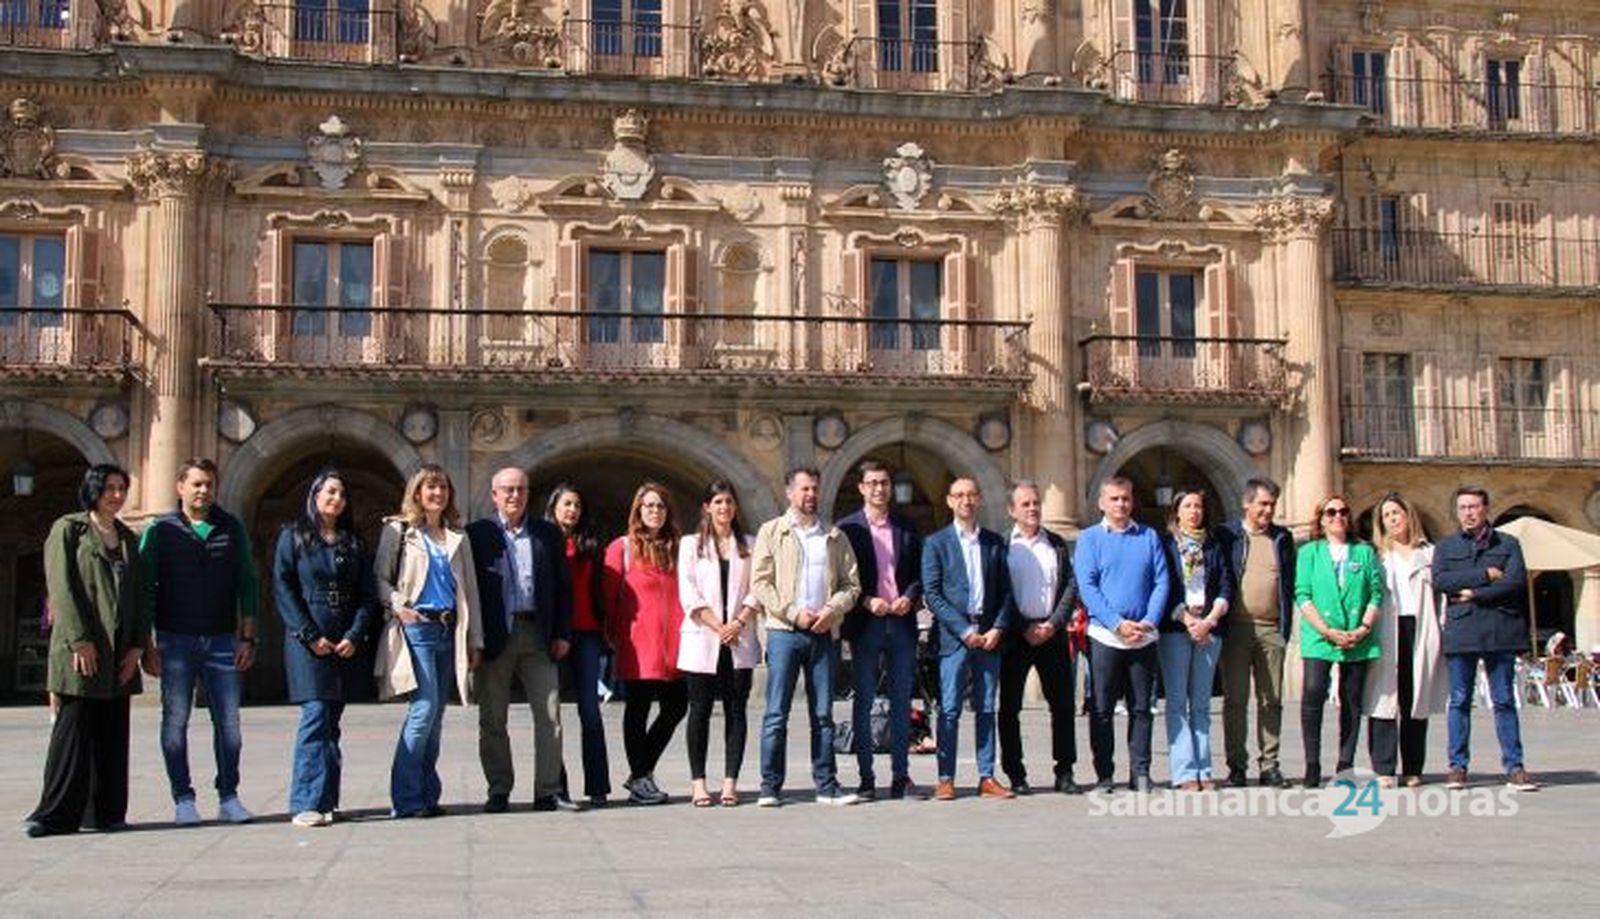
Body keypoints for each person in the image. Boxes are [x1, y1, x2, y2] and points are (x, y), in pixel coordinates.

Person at [24, 465, 147, 838]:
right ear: (93, 490)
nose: (116, 495)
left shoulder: (127, 538)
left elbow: (140, 596)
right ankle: (54, 815)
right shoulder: (69, 529)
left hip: (119, 650)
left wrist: (137, 646)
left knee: (112, 730)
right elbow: (61, 586)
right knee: (73, 730)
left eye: (121, 488)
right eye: (109, 488)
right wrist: (79, 640)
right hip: (80, 648)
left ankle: (106, 812)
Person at [141, 457, 259, 826]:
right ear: (180, 487)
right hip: (174, 639)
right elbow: (144, 589)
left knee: (229, 724)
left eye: (209, 484)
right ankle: (183, 799)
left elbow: (248, 583)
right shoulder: (159, 530)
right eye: (196, 484)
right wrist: (146, 644)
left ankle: (229, 796)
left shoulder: (231, 527)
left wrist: (247, 637)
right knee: (175, 720)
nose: (203, 490)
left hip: (222, 638)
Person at [374, 463, 483, 818]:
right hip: (417, 627)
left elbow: (470, 591)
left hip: (448, 628)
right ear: (417, 493)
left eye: (443, 487)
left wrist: (475, 639)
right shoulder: (399, 530)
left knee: (436, 714)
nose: (437, 493)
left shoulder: (457, 536)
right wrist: (399, 606)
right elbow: (380, 579)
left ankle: (426, 793)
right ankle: (406, 799)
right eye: (430, 487)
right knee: (423, 709)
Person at [750, 466, 862, 807]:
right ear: (789, 492)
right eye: (804, 489)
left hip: (823, 633)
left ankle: (826, 785)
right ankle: (770, 786)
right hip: (784, 632)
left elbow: (852, 585)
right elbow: (760, 583)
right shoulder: (772, 531)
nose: (810, 494)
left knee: (824, 714)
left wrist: (832, 610)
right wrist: (792, 611)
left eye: (814, 488)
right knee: (776, 713)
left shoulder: (835, 536)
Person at [272, 468, 377, 828]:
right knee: (315, 714)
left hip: (343, 637)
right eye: (330, 492)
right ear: (315, 495)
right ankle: (304, 802)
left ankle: (327, 799)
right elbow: (283, 587)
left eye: (342, 494)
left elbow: (366, 595)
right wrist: (308, 634)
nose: (336, 499)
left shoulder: (353, 542)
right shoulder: (293, 536)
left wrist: (355, 635)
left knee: (332, 721)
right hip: (307, 638)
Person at [467, 467, 575, 814]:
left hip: (538, 632)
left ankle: (548, 791)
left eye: (521, 489)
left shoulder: (547, 533)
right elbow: (467, 590)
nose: (515, 495)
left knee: (550, 715)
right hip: (495, 635)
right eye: (508, 490)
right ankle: (499, 789)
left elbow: (563, 587)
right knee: (492, 718)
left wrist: (562, 632)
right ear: (494, 494)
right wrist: (472, 639)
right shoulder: (477, 534)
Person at [1432, 487, 1538, 791]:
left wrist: (1473, 593)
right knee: (1459, 701)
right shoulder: (1446, 546)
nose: (1468, 512)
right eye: (1462, 507)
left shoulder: (1508, 543)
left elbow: (1515, 582)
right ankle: (1457, 766)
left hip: (1499, 629)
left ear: (1486, 508)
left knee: (1504, 700)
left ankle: (1515, 766)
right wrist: (1486, 575)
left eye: (1473, 506)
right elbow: (1441, 580)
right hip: (1462, 631)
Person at [923, 476, 1016, 801]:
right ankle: (945, 778)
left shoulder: (994, 542)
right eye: (959, 495)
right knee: (949, 709)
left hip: (989, 636)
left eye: (971, 495)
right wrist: (964, 630)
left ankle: (987, 776)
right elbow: (933, 594)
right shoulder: (936, 543)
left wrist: (997, 628)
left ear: (979, 499)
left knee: (987, 708)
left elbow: (1006, 592)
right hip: (954, 639)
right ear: (950, 501)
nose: (966, 500)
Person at [1074, 476, 1169, 794]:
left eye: (1125, 498)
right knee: (1101, 709)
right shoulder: (1089, 539)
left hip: (1143, 635)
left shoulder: (1149, 536)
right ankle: (1104, 775)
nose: (1121, 504)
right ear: (1102, 503)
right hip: (1106, 636)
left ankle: (1140, 773)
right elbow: (1088, 586)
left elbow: (1161, 581)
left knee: (1142, 708)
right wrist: (1116, 623)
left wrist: (1149, 620)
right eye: (1114, 499)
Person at [838, 459, 925, 801]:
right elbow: (840, 578)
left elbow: (918, 574)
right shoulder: (848, 529)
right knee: (864, 700)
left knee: (902, 701)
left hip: (901, 622)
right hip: (866, 623)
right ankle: (866, 778)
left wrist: (909, 597)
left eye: (884, 482)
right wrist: (865, 600)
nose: (879, 488)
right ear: (861, 488)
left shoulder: (906, 526)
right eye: (872, 483)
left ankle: (901, 776)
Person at [677, 480, 762, 807]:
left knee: (736, 710)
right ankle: (699, 783)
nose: (724, 507)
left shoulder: (750, 545)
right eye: (718, 502)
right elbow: (688, 591)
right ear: (707, 508)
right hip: (703, 637)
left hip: (739, 638)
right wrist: (718, 625)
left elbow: (758, 588)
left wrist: (737, 623)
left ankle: (730, 783)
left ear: (735, 507)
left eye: (729, 502)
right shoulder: (691, 545)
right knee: (699, 710)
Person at [603, 481, 687, 806]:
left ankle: (641, 771)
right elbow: (609, 596)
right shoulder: (622, 547)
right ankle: (640, 779)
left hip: (674, 643)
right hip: (638, 642)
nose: (655, 511)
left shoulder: (678, 548)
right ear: (638, 510)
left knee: (676, 706)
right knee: (638, 709)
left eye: (660, 506)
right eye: (649, 505)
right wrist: (611, 634)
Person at [1294, 495, 1383, 789]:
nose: (1338, 517)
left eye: (1343, 511)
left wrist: (1363, 628)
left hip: (1357, 634)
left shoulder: (1364, 552)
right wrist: (1325, 630)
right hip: (1319, 634)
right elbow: (1302, 594)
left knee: (1351, 700)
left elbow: (1376, 593)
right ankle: (1312, 764)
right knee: (1313, 693)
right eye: (1331, 512)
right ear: (1321, 519)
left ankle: (1345, 764)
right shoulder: (1309, 552)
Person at [998, 479, 1080, 796]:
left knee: (1063, 706)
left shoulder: (1056, 543)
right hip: (1015, 636)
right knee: (1009, 708)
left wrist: (1054, 624)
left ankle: (1065, 771)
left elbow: (1070, 586)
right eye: (1026, 504)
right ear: (1012, 510)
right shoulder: (1004, 545)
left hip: (1051, 634)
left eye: (1036, 503)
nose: (1033, 508)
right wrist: (1023, 626)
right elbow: (1000, 591)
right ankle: (1016, 774)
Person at [1215, 477, 1295, 788]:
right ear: (1246, 504)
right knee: (1235, 700)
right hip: (1235, 628)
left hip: (1271, 628)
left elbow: (1289, 584)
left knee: (1271, 700)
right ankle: (1236, 766)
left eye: (1272, 505)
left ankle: (1269, 765)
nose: (1268, 510)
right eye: (1263, 504)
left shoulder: (1282, 538)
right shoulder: (1227, 536)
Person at [1365, 492, 1446, 788]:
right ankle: (1383, 767)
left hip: (1420, 626)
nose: (1392, 519)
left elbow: (1442, 595)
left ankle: (1413, 767)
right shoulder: (1376, 556)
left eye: (1396, 513)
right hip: (1387, 627)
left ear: (1408, 515)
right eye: (1386, 516)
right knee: (1384, 698)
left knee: (1415, 698)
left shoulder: (1430, 554)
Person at [1157, 488, 1232, 792]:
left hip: (1209, 629)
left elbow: (1226, 585)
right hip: (1175, 629)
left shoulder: (1213, 545)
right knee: (1176, 703)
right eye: (1187, 506)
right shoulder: (1166, 545)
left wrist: (1209, 621)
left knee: (1201, 704)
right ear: (1177, 512)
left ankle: (1204, 768)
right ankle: (1185, 772)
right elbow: (1163, 586)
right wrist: (1187, 619)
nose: (1194, 511)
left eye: (1198, 506)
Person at [546, 483, 611, 807]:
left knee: (590, 710)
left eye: (577, 505)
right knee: (551, 714)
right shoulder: (543, 541)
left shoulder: (590, 544)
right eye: (567, 504)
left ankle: (598, 786)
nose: (572, 510)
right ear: (554, 506)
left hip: (587, 632)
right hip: (554, 633)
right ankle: (556, 786)